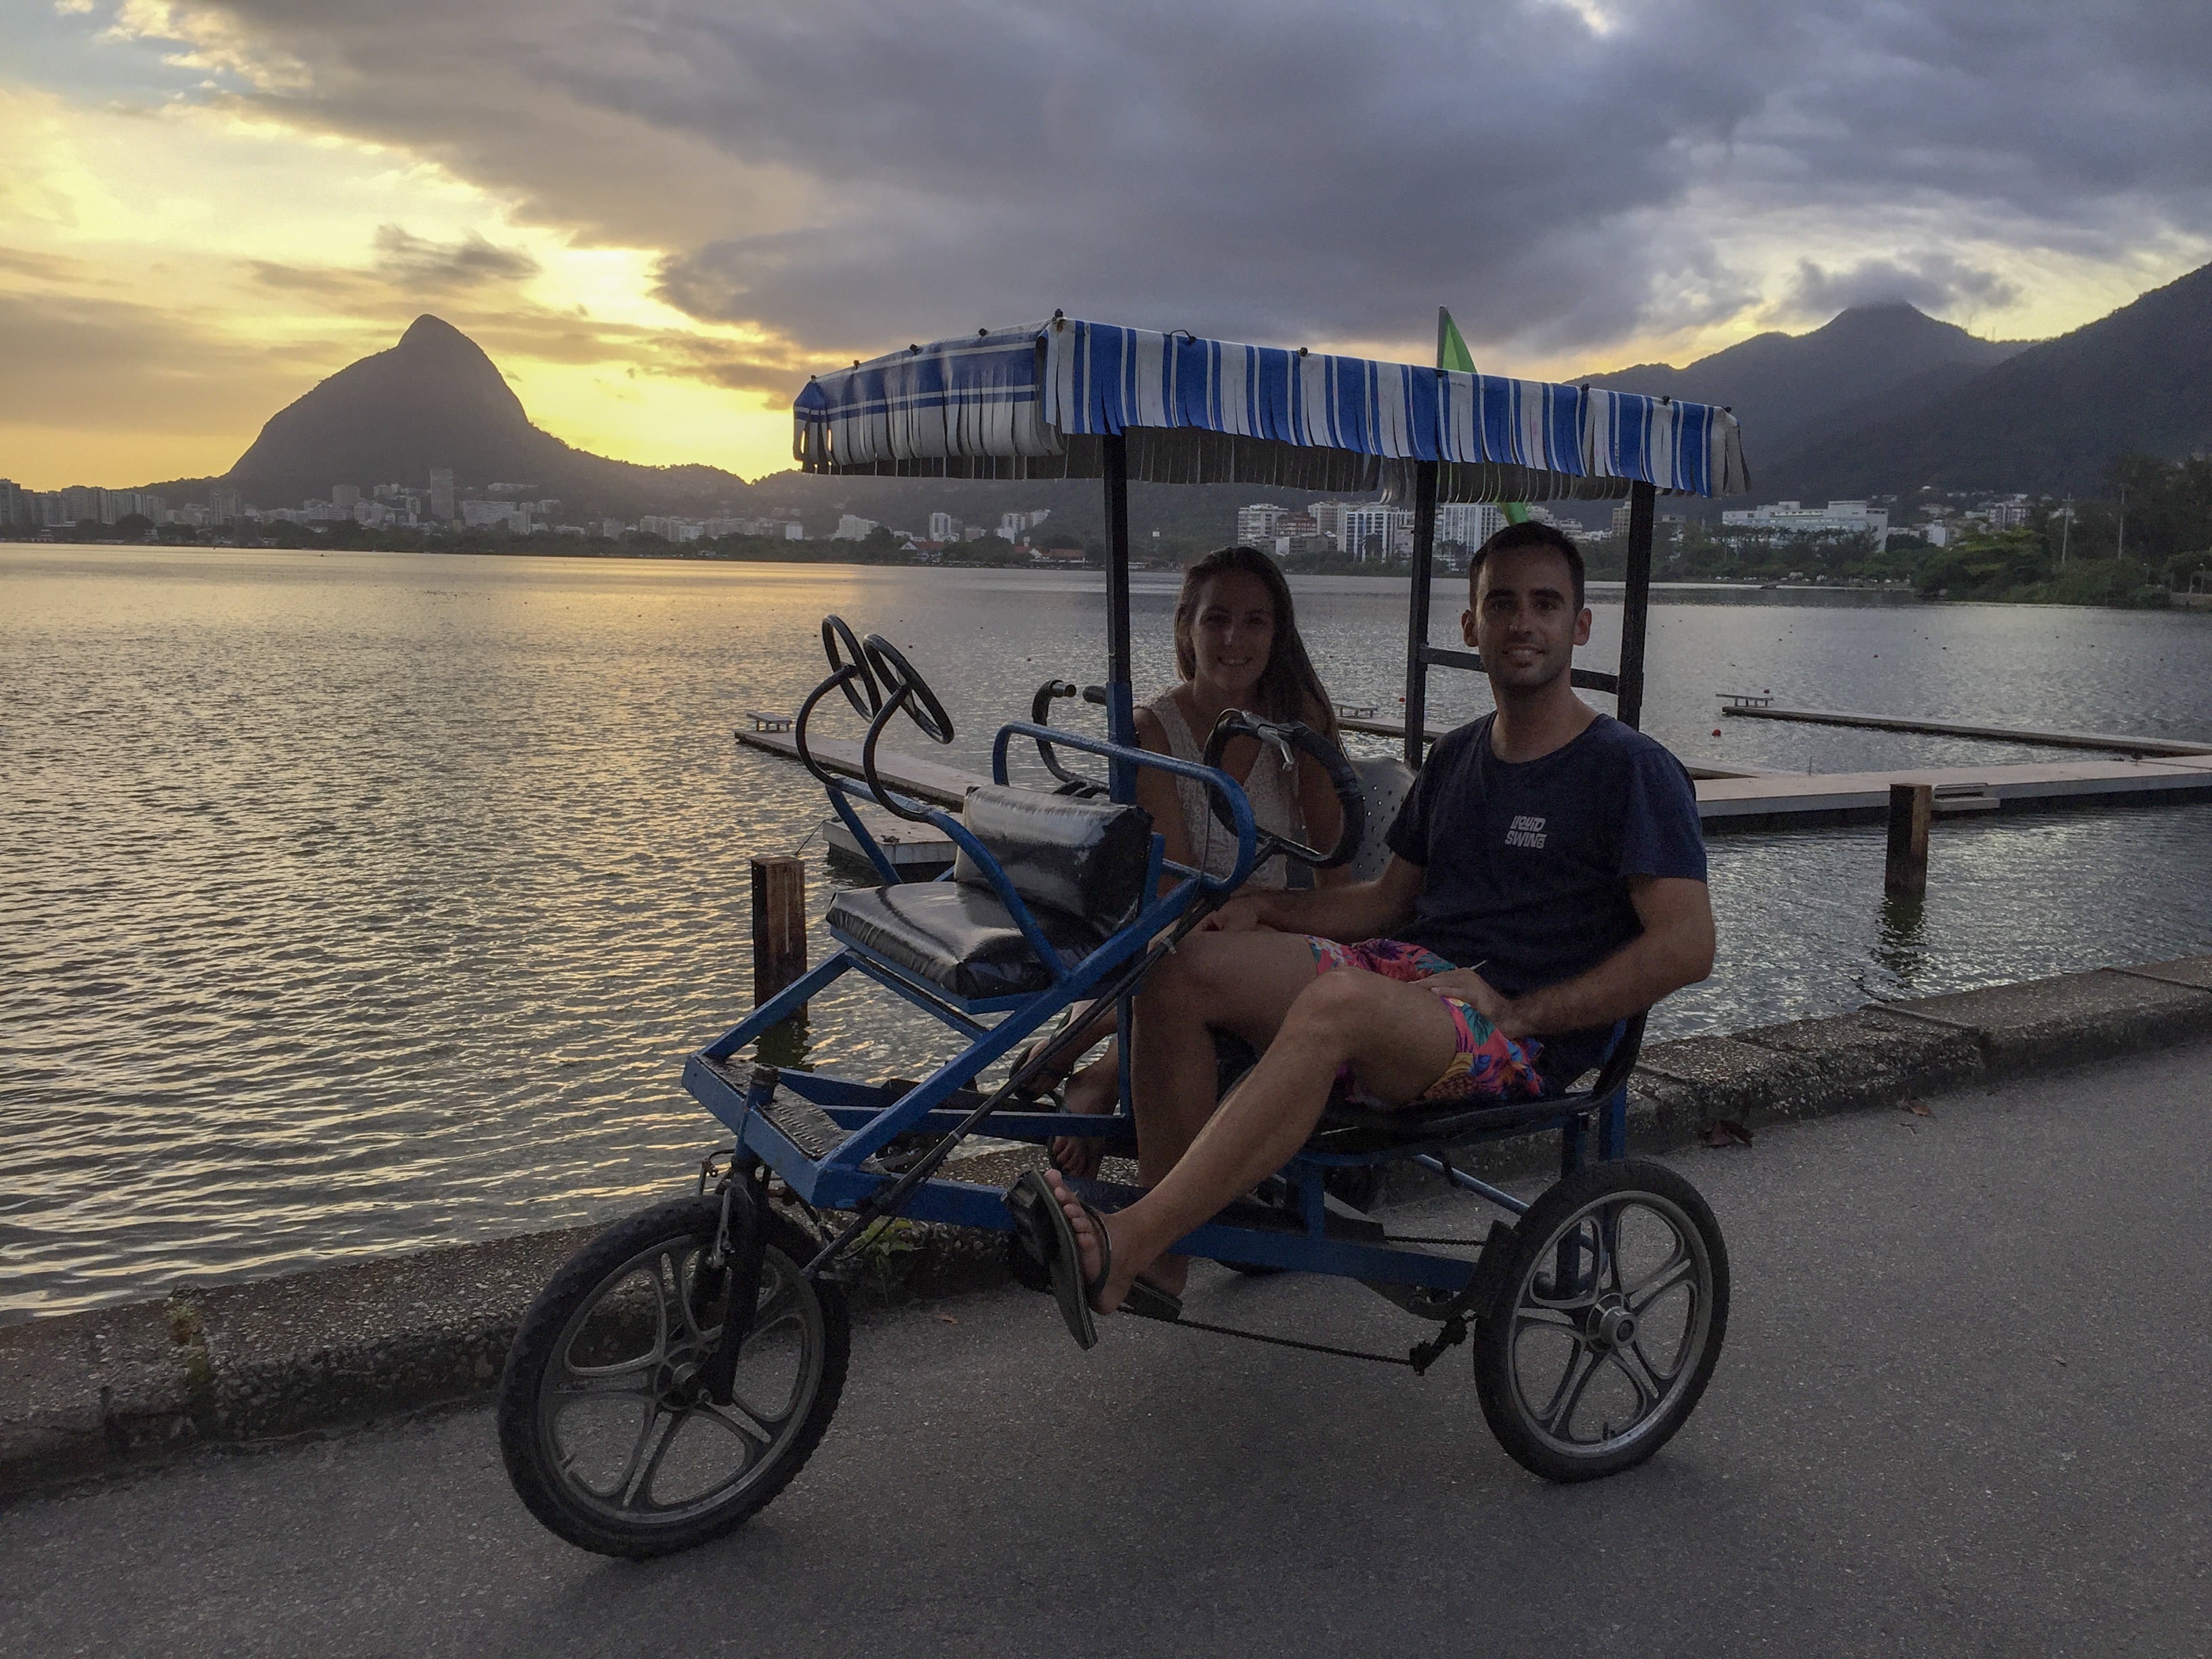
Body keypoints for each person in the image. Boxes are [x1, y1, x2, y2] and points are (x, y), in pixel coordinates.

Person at [1013, 520, 1716, 1345]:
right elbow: (1384, 901)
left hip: (1510, 1029)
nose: (1522, 623)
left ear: (1580, 626)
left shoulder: (1628, 768)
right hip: (1405, 979)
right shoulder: (1457, 758)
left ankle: (1130, 1238)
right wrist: (1267, 910)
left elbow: (1686, 946)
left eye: (1545, 604)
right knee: (1184, 960)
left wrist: (1524, 1015)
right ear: (1471, 627)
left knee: (1340, 1002)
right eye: (1501, 604)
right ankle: (1166, 1259)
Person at [1026, 546, 1347, 1176]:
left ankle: (1088, 1060)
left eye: (1255, 622)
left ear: (1276, 634)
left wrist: (1267, 914)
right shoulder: (1152, 731)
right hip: (1177, 930)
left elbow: (1339, 872)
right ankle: (1092, 1060)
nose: (1234, 639)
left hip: (1273, 930)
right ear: (1186, 629)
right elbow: (1172, 886)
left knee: (1183, 956)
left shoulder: (1297, 727)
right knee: (1175, 944)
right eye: (1216, 620)